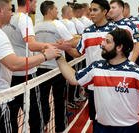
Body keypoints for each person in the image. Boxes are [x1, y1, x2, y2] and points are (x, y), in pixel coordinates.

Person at [56, 28, 139, 133]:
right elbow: (74, 78)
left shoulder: (136, 73)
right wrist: (58, 56)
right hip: (101, 128)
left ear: (119, 47)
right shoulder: (97, 67)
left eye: (107, 41)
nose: (102, 44)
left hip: (127, 129)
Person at [0, 0, 59, 132]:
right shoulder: (1, 31)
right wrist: (45, 54)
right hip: (2, 93)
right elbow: (14, 63)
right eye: (10, 9)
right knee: (34, 114)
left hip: (6, 84)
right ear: (0, 11)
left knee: (13, 116)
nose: (12, 13)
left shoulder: (1, 29)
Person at [58, 0, 117, 128]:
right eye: (90, 10)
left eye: (95, 10)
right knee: (95, 121)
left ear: (105, 12)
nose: (91, 13)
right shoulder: (87, 31)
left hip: (111, 84)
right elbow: (78, 53)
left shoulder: (115, 31)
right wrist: (65, 47)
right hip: (93, 85)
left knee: (113, 121)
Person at [34, 1, 75, 132]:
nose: (57, 11)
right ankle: (61, 128)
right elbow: (70, 42)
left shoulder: (36, 26)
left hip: (40, 67)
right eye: (56, 9)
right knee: (59, 100)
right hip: (57, 68)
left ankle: (44, 124)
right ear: (50, 10)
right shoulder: (58, 24)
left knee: (43, 100)